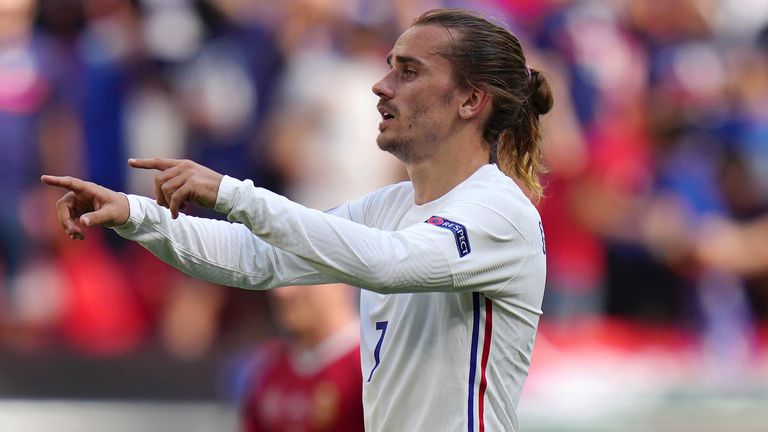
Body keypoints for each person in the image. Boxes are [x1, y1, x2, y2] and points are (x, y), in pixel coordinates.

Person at [42, 8, 552, 431]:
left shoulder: (499, 211)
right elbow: (255, 258)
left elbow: (389, 263)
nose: (381, 85)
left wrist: (231, 193)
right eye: (390, 66)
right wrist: (135, 214)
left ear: (470, 100)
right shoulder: (390, 205)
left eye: (409, 71)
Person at [240, 283, 363, 432]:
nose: (281, 292)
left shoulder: (371, 365)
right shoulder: (267, 367)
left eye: (299, 275)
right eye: (279, 276)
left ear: (341, 281)